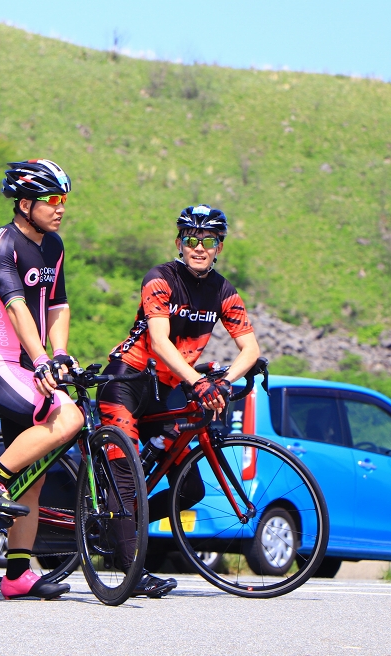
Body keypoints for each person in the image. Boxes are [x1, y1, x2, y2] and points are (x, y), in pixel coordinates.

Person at [98, 204, 260, 598]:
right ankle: (130, 565)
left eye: (207, 240)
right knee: (125, 475)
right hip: (129, 381)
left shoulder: (224, 291)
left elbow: (250, 348)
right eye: (191, 239)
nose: (199, 247)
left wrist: (223, 382)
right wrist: (197, 381)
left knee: (190, 492)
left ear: (219, 245)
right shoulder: (160, 279)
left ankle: (116, 527)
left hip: (168, 390)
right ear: (179, 243)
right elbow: (158, 341)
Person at [0, 159, 85, 600]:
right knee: (68, 417)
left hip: (34, 364)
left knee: (32, 478)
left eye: (64, 200)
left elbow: (57, 307)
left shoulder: (52, 245)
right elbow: (17, 306)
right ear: (23, 203)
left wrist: (59, 355)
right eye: (52, 200)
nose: (60, 208)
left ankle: (17, 574)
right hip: (2, 361)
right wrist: (40, 362)